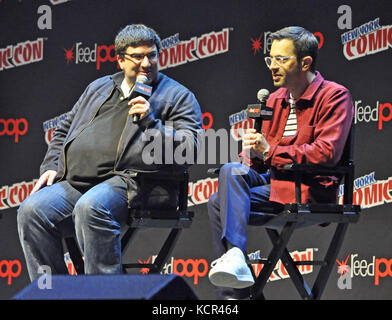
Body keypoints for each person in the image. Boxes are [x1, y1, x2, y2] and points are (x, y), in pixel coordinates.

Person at [17, 24, 203, 281]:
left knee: (91, 206)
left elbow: (190, 149)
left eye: (152, 55)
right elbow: (63, 131)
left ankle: (103, 293)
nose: (147, 63)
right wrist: (52, 166)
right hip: (79, 182)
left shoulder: (177, 96)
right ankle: (51, 293)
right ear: (120, 59)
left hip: (136, 183)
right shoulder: (99, 88)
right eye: (137, 56)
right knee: (31, 211)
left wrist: (151, 122)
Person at [207, 26, 354, 299]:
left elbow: (327, 152)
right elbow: (261, 161)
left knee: (219, 202)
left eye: (281, 59)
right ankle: (237, 260)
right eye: (270, 59)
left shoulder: (334, 96)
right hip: (273, 182)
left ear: (305, 62)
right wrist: (251, 154)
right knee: (231, 171)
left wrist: (270, 151)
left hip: (307, 188)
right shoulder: (274, 99)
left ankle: (233, 294)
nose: (273, 66)